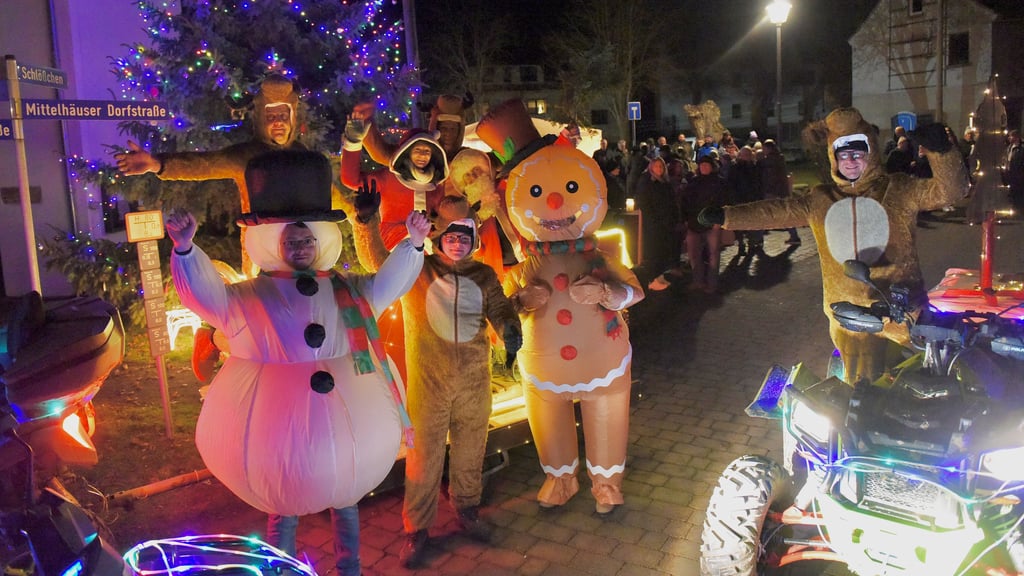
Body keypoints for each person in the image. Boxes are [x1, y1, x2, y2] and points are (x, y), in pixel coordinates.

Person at [167, 150, 431, 574]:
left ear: (321, 240)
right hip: (274, 430)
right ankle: (280, 568)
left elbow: (389, 284)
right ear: (274, 244)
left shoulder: (349, 289)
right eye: (291, 241)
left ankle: (350, 568)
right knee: (280, 499)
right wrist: (185, 251)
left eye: (307, 240)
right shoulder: (248, 296)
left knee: (346, 498)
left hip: (349, 427)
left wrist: (413, 244)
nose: (301, 247)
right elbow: (204, 297)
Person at [701, 108, 969, 384]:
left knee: (919, 384)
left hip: (902, 318)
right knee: (859, 393)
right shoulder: (821, 199)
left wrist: (943, 153)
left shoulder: (898, 190)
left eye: (857, 153)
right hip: (848, 319)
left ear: (870, 153)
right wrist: (727, 216)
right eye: (843, 154)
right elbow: (776, 211)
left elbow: (951, 191)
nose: (850, 160)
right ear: (833, 157)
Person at [352, 194, 521, 568]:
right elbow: (380, 264)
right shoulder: (418, 269)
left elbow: (499, 306)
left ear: (474, 239)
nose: (458, 242)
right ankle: (417, 528)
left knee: (470, 449)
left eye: (465, 235)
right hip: (430, 383)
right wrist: (366, 222)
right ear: (438, 236)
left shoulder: (485, 274)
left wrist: (510, 327)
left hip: (475, 381)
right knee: (423, 458)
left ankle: (467, 508)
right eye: (451, 235)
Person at [115, 73, 308, 382]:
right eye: (271, 115)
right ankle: (213, 337)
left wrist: (359, 214)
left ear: (293, 116)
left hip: (302, 253)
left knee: (298, 325)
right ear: (261, 118)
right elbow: (204, 164)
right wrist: (157, 164)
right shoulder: (247, 156)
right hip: (263, 254)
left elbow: (331, 196)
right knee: (256, 330)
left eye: (283, 114)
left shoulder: (307, 160)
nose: (278, 122)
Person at [681, 155, 729, 293]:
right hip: (693, 224)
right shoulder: (694, 183)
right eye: (701, 165)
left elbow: (724, 203)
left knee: (713, 254)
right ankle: (698, 281)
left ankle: (712, 283)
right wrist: (685, 219)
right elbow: (685, 202)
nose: (704, 168)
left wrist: (718, 221)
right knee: (694, 255)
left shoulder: (720, 183)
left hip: (712, 224)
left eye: (706, 165)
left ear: (712, 167)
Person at [636, 157, 681, 291]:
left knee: (662, 250)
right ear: (651, 167)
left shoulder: (665, 183)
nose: (659, 169)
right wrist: (653, 220)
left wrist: (674, 218)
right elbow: (644, 202)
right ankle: (652, 278)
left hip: (666, 223)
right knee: (653, 251)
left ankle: (660, 275)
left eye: (661, 166)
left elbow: (672, 202)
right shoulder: (647, 182)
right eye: (656, 166)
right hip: (653, 223)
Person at [759, 139, 801, 245]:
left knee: (766, 212)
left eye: (764, 148)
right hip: (781, 190)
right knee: (783, 213)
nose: (763, 150)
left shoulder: (769, 161)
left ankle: (758, 238)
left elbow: (770, 177)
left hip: (773, 191)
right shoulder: (779, 158)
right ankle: (794, 235)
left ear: (768, 148)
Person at [727, 146, 763, 255]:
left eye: (749, 155)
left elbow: (759, 183)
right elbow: (731, 185)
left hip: (751, 200)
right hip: (739, 200)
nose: (748, 157)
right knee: (739, 225)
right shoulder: (735, 168)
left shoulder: (754, 167)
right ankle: (742, 244)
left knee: (751, 223)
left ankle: (751, 244)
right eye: (745, 155)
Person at [1003, 129, 1024, 213]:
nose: (1009, 138)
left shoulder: (1021, 148)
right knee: (1011, 190)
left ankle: (1019, 208)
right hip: (1009, 172)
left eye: (1011, 136)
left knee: (1018, 190)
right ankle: (1013, 207)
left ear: (1016, 137)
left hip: (1018, 173)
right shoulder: (1009, 148)